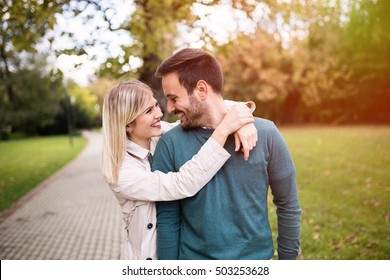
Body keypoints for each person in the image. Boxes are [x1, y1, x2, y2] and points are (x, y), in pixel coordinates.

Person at [153, 48, 302, 260]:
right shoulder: (169, 144)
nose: (168, 108)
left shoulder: (266, 133)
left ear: (202, 90)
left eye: (174, 98)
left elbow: (288, 204)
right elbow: (168, 219)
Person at [100, 79, 257, 260]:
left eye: (156, 105)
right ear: (127, 124)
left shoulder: (161, 136)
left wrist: (244, 119)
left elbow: (208, 108)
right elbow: (182, 184)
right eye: (148, 111)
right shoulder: (122, 174)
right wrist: (223, 130)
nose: (160, 113)